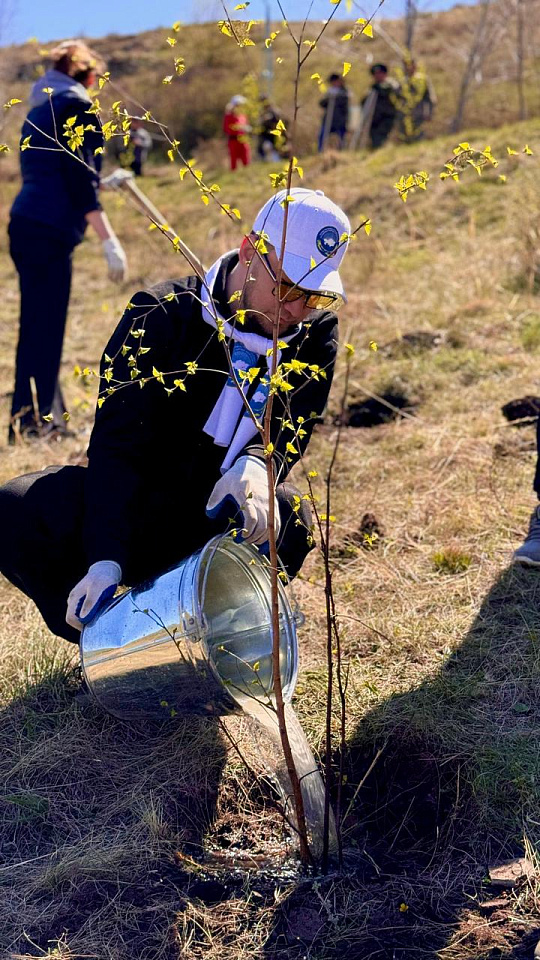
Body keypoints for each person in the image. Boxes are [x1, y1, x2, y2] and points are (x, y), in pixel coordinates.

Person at [0, 188, 351, 644]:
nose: (296, 310)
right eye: (286, 288)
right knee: (16, 508)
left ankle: (217, 641)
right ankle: (112, 645)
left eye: (315, 297)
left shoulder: (313, 332)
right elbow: (116, 448)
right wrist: (106, 555)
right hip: (138, 511)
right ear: (249, 252)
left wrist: (260, 462)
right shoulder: (160, 316)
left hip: (214, 522)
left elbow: (296, 419)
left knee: (291, 516)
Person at [8, 39, 128, 444]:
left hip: (25, 223)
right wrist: (108, 240)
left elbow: (59, 174)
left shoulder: (38, 110)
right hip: (49, 230)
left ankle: (31, 420)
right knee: (48, 327)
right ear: (88, 75)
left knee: (35, 325)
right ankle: (40, 424)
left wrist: (101, 182)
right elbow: (79, 184)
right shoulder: (78, 107)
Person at [393, 58, 436, 144]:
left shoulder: (422, 79)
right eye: (406, 66)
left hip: (419, 113)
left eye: (410, 65)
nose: (409, 68)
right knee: (404, 138)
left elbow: (430, 98)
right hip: (405, 115)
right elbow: (396, 97)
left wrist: (429, 112)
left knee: (419, 137)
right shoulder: (402, 81)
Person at [361, 64, 399, 150]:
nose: (377, 76)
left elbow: (392, 94)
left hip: (387, 117)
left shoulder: (392, 85)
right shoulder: (373, 88)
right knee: (374, 138)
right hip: (374, 119)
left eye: (379, 73)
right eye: (375, 74)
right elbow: (364, 101)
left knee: (381, 138)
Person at [318, 74, 351, 152]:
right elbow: (322, 104)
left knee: (340, 138)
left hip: (340, 121)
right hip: (328, 120)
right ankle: (321, 151)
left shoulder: (344, 93)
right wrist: (329, 97)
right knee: (322, 137)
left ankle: (341, 152)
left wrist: (336, 97)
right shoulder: (329, 92)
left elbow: (344, 106)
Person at [223, 95, 252, 171]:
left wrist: (246, 128)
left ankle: (247, 174)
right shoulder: (228, 116)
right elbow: (226, 129)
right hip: (233, 140)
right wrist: (239, 128)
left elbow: (246, 125)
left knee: (246, 158)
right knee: (234, 159)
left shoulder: (243, 115)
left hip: (243, 139)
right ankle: (234, 177)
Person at [257, 96, 288, 163]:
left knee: (276, 151)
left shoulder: (274, 111)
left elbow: (282, 121)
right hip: (267, 136)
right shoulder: (262, 112)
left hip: (275, 136)